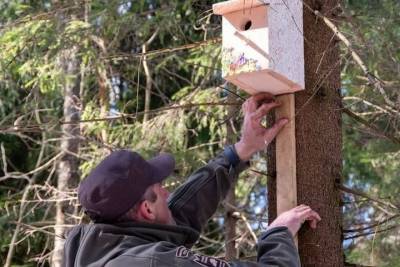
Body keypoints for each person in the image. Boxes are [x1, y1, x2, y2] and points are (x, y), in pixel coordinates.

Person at [63, 93, 321, 267]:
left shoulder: (106, 251)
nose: (166, 193)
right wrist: (278, 235)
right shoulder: (154, 262)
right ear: (147, 209)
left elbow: (177, 217)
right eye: (159, 189)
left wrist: (239, 151)